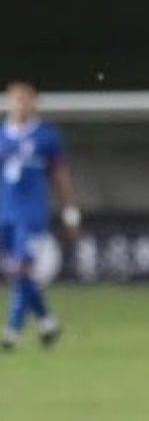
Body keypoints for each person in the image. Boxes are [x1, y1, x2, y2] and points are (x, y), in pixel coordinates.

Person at [1, 80, 80, 352]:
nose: (20, 104)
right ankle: (47, 323)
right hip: (4, 216)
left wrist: (70, 212)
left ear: (34, 102)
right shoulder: (1, 136)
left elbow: (60, 176)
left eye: (26, 98)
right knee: (19, 275)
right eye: (15, 98)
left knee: (23, 270)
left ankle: (11, 333)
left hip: (31, 215)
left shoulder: (46, 137)